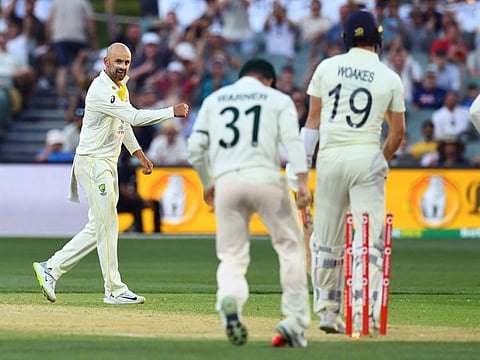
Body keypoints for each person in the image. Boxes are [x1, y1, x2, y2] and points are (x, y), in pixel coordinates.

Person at [33, 42, 189, 305]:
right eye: (118, 62)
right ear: (106, 62)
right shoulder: (101, 89)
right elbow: (135, 117)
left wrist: (138, 154)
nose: (122, 67)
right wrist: (170, 112)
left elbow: (123, 123)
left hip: (104, 163)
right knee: (108, 225)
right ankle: (114, 289)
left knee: (100, 225)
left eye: (126, 62)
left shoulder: (120, 88)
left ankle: (52, 267)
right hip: (94, 164)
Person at [187, 58, 311, 347]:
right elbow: (293, 142)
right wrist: (302, 182)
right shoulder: (278, 99)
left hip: (227, 183)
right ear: (267, 80)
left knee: (232, 257)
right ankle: (294, 321)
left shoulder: (215, 99)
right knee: (291, 247)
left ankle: (228, 298)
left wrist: (208, 183)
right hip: (266, 180)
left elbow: (194, 150)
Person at [301, 10, 405, 334]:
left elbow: (312, 122)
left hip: (330, 159)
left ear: (346, 39)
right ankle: (364, 314)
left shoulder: (326, 67)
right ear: (379, 39)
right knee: (368, 242)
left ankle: (328, 312)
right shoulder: (389, 76)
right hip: (365, 156)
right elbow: (398, 132)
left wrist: (303, 172)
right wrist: (381, 158)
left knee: (326, 241)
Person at [117, 148, 162, 233]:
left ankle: (157, 231)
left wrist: (142, 200)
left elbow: (135, 190)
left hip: (131, 200)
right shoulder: (121, 170)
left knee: (155, 203)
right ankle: (140, 231)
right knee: (137, 205)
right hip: (120, 202)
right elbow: (123, 190)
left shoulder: (133, 171)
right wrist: (138, 200)